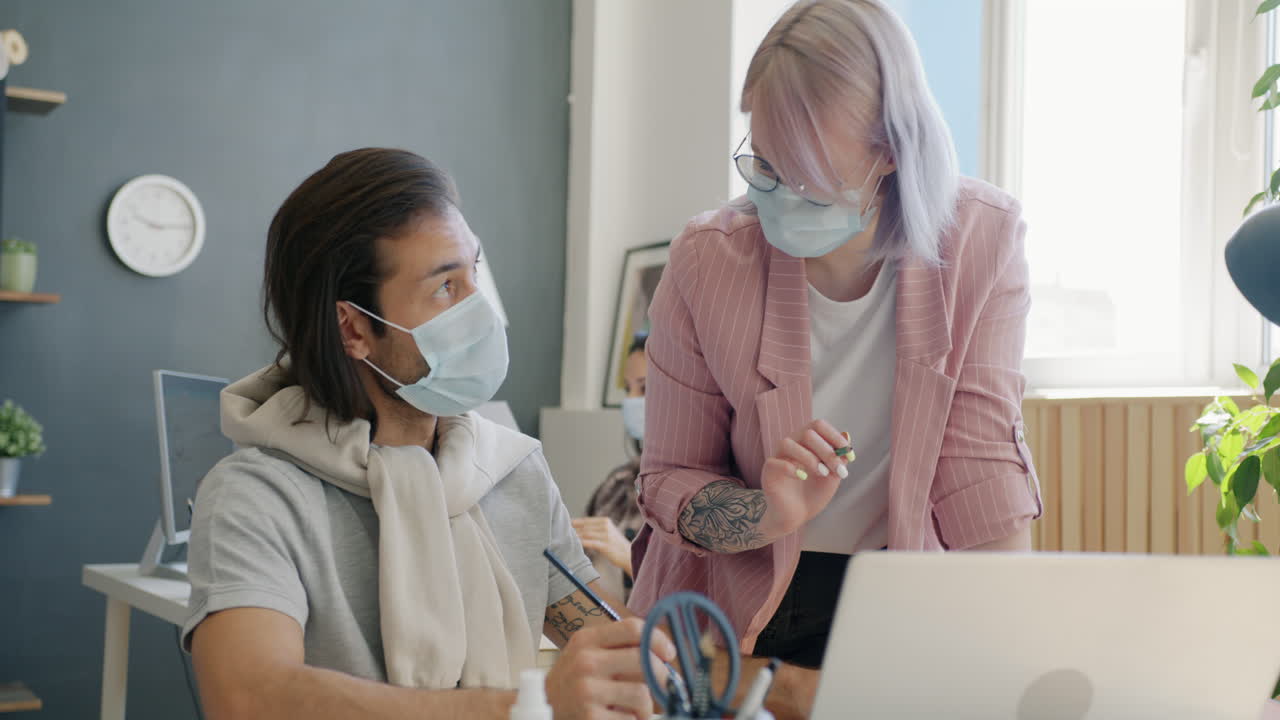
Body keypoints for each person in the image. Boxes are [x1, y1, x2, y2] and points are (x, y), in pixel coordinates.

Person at [629, 0, 1044, 693]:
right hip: (729, 609)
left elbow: (982, 473)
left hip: (898, 591)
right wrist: (770, 512)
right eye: (761, 161)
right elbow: (668, 478)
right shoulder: (708, 261)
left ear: (887, 151)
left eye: (803, 172)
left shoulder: (984, 240)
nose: (773, 193)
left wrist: (1013, 660)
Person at [182, 148, 674, 720]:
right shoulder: (256, 496)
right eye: (445, 288)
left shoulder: (511, 469)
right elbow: (249, 698)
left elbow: (597, 630)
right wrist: (529, 708)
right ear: (354, 328)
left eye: (474, 274)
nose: (480, 310)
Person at [574, 335, 648, 601]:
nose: (631, 401)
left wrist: (629, 557)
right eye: (628, 389)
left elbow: (710, 610)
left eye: (645, 388)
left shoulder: (713, 496)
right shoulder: (617, 486)